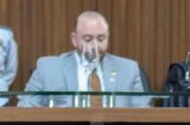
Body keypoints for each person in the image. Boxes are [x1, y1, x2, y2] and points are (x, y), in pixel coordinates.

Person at [17, 11, 147, 107]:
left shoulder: (129, 69)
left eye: (101, 38)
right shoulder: (48, 68)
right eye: (87, 39)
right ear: (74, 39)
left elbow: (144, 113)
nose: (95, 45)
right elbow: (25, 107)